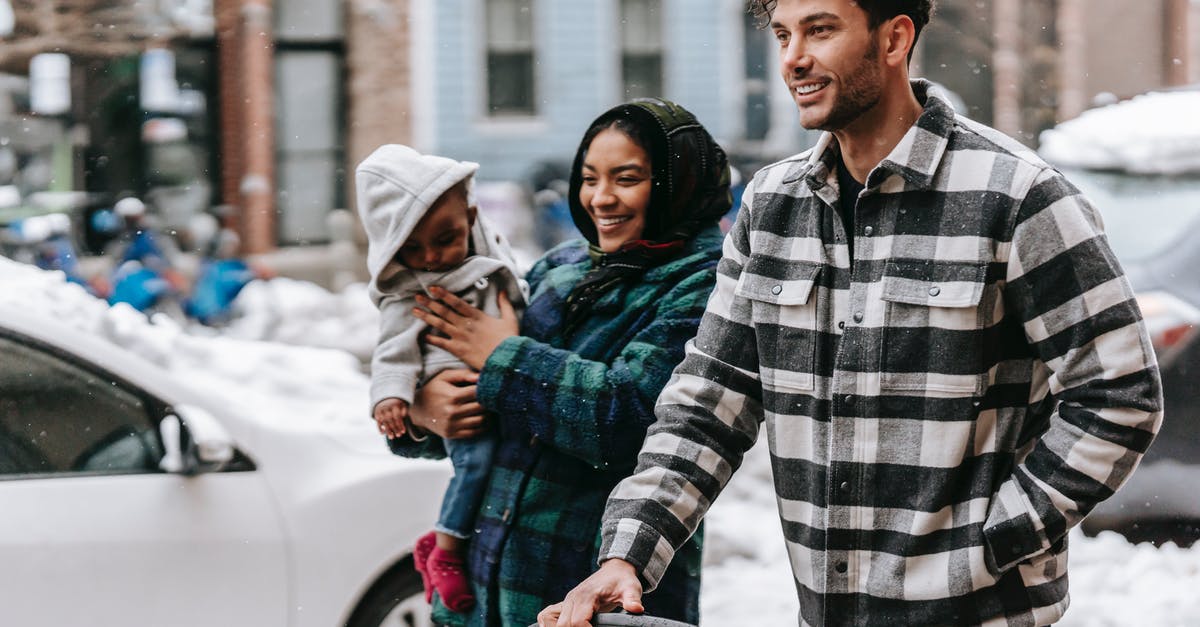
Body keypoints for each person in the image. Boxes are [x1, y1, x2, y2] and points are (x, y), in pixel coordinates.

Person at [541, 1, 1164, 626]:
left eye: (821, 30)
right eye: (784, 34)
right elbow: (710, 401)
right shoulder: (771, 206)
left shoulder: (1019, 197)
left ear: (894, 39)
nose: (793, 59)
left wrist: (996, 540)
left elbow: (1119, 393)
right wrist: (629, 551)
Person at [391, 98, 733, 626]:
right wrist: (425, 412)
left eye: (627, 178)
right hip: (483, 592)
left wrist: (502, 356)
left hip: (595, 596)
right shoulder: (561, 267)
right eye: (590, 177)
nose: (601, 198)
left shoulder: (704, 285)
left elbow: (630, 420)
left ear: (678, 181)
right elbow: (489, 401)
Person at [355, 144, 530, 612]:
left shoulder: (490, 261)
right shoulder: (409, 292)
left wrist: (510, 343)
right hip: (458, 394)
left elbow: (518, 301)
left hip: (493, 393)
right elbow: (392, 352)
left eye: (444, 238)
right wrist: (396, 400)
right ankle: (447, 550)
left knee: (492, 469)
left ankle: (443, 546)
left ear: (471, 218)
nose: (431, 257)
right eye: (411, 248)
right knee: (475, 463)